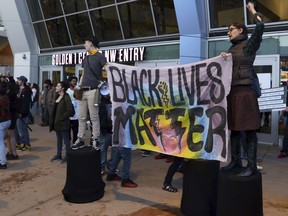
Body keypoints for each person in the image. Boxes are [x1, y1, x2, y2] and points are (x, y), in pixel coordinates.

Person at [220, 2, 264, 177]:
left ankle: (251, 165)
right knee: (235, 130)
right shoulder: (232, 49)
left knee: (249, 130)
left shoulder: (248, 45)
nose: (228, 32)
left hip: (246, 92)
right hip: (233, 93)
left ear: (241, 31)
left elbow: (260, 26)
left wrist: (253, 11)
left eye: (231, 29)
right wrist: (223, 59)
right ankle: (236, 162)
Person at [71, 35, 107, 150]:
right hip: (83, 90)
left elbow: (108, 69)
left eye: (85, 42)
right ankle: (80, 138)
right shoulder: (86, 58)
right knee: (81, 116)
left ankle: (95, 139)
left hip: (93, 90)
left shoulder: (101, 56)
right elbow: (84, 74)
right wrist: (78, 87)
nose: (84, 45)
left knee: (94, 117)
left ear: (91, 43)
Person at [50, 81, 74, 163]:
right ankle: (58, 155)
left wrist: (61, 117)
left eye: (58, 86)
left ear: (62, 88)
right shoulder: (57, 96)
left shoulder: (66, 97)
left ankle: (68, 156)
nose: (56, 87)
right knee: (59, 140)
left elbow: (70, 110)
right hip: (57, 123)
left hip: (63, 123)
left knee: (66, 141)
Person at [15, 76, 32, 151]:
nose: (18, 81)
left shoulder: (26, 91)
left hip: (22, 114)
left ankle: (26, 144)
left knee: (22, 130)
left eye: (19, 80)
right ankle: (19, 143)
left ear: (23, 81)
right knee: (18, 130)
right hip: (17, 112)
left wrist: (22, 113)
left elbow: (25, 103)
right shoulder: (19, 89)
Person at [98, 86, 113, 175]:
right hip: (104, 129)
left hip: (111, 129)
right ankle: (102, 166)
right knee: (103, 149)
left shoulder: (113, 101)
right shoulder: (100, 103)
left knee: (114, 150)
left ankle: (110, 165)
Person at [5, 75, 19, 160]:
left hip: (11, 116)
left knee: (10, 135)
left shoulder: (12, 96)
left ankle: (14, 153)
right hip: (9, 117)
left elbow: (13, 107)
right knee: (7, 136)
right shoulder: (11, 95)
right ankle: (10, 152)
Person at [0, 82, 11, 169]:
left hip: (2, 122)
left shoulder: (2, 99)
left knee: (0, 143)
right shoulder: (6, 97)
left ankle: (3, 162)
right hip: (7, 121)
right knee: (1, 142)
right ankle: (2, 160)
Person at [66, 77, 79, 144]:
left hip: (76, 114)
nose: (74, 82)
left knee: (75, 131)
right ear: (70, 82)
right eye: (73, 81)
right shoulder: (67, 91)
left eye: (75, 81)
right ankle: (68, 142)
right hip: (69, 114)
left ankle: (75, 142)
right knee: (67, 130)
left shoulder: (77, 90)